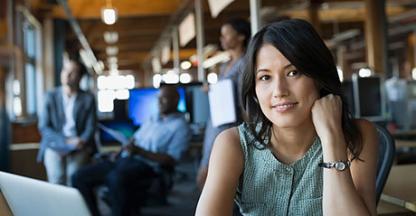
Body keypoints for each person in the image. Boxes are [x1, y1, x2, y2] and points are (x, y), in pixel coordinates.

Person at [196, 19, 378, 215]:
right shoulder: (234, 144)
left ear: (319, 76)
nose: (279, 91)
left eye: (293, 72)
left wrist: (332, 139)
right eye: (265, 77)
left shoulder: (357, 136)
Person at [72, 85, 192, 216]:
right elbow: (135, 139)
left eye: (164, 98)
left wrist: (139, 152)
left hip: (148, 167)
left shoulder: (181, 127)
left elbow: (171, 159)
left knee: (115, 178)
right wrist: (120, 151)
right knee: (79, 177)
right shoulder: (152, 119)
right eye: (158, 98)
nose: (159, 101)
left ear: (175, 100)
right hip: (125, 159)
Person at [197, 18, 251, 189]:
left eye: (226, 34)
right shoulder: (225, 65)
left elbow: (245, 98)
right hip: (216, 122)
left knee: (211, 175)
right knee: (208, 172)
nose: (222, 39)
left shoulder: (244, 64)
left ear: (241, 36)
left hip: (229, 124)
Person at [38, 51, 96, 186]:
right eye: (65, 70)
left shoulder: (88, 98)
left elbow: (91, 126)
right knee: (57, 179)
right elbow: (44, 127)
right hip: (54, 144)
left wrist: (82, 141)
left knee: (74, 177)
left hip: (79, 145)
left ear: (80, 77)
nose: (67, 75)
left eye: (73, 72)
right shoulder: (50, 96)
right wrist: (64, 141)